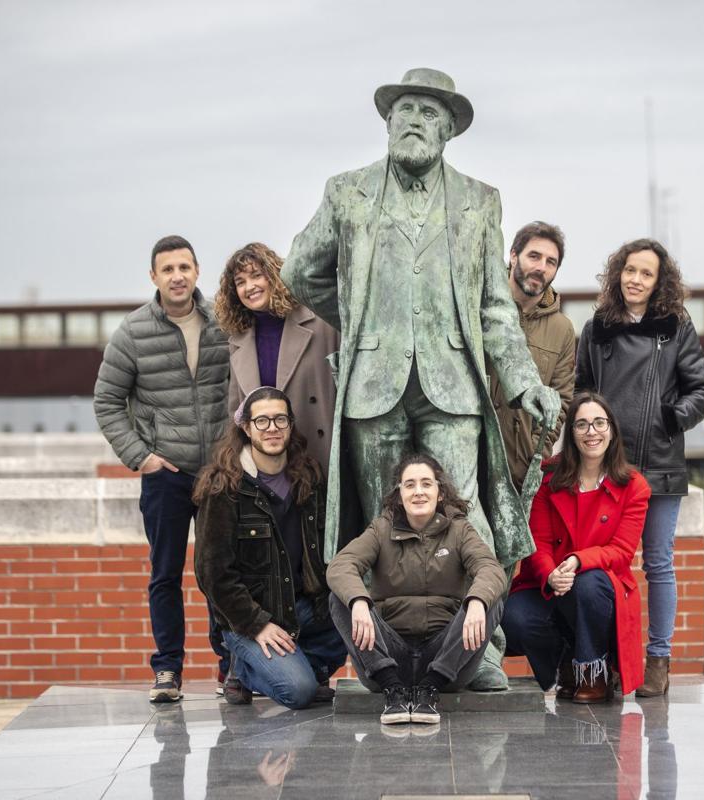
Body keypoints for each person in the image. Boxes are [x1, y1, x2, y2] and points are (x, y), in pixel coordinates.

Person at [282, 66, 559, 573]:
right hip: (372, 387)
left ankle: (481, 641)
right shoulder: (347, 192)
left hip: (452, 386)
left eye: (428, 112)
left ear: (448, 130)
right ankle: (386, 638)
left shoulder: (480, 201)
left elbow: (495, 308)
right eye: (403, 110)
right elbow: (300, 271)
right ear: (387, 122)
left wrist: (525, 383)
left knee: (463, 515)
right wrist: (361, 320)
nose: (414, 120)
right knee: (383, 522)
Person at [574, 238, 704, 696]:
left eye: (646, 273)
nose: (635, 279)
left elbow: (703, 388)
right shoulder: (596, 328)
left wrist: (670, 417)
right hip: (605, 465)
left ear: (660, 282)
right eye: (629, 270)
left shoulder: (675, 326)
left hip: (659, 465)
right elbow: (582, 389)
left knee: (657, 563)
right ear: (618, 274)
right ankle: (612, 661)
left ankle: (658, 660)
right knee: (606, 567)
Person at [93, 235, 230, 703]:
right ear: (153, 276)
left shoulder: (223, 322)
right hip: (165, 475)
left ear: (197, 272)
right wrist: (141, 457)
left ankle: (230, 667)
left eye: (185, 267)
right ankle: (167, 670)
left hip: (218, 472)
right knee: (165, 573)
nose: (177, 276)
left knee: (219, 572)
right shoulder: (132, 332)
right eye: (167, 269)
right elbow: (107, 401)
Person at [193, 387, 347, 710]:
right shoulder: (224, 487)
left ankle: (295, 663)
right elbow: (212, 574)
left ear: (290, 425)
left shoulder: (309, 477)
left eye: (280, 419)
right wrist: (256, 623)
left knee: (352, 615)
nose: (272, 428)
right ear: (246, 428)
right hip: (247, 618)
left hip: (301, 609)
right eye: (262, 421)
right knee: (300, 691)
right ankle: (242, 666)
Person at [326, 453, 508, 725]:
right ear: (399, 495)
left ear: (440, 492)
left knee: (490, 599)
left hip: (447, 659)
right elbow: (341, 566)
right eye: (409, 485)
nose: (418, 491)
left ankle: (429, 689)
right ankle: (393, 691)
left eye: (426, 483)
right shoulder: (381, 529)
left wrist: (477, 603)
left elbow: (490, 568)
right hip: (389, 658)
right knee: (339, 598)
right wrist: (359, 601)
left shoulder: (459, 529)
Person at [502, 392, 651, 702]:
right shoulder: (549, 478)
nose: (591, 432)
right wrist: (550, 575)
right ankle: (562, 668)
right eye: (581, 425)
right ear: (571, 434)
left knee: (588, 584)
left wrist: (579, 560)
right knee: (514, 617)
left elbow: (622, 551)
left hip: (600, 588)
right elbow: (537, 542)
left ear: (612, 430)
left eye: (599, 423)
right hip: (553, 581)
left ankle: (594, 673)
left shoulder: (633, 486)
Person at [216, 242, 340, 475]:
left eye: (256, 276)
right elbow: (236, 410)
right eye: (240, 282)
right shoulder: (237, 340)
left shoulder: (321, 322)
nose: (249, 287)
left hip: (318, 451)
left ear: (274, 276)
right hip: (267, 462)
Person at [489, 221, 576, 489]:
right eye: (534, 256)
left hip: (519, 468)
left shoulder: (562, 329)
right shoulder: (481, 306)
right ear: (513, 256)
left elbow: (561, 401)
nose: (541, 267)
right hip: (472, 455)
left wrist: (535, 454)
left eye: (551, 262)